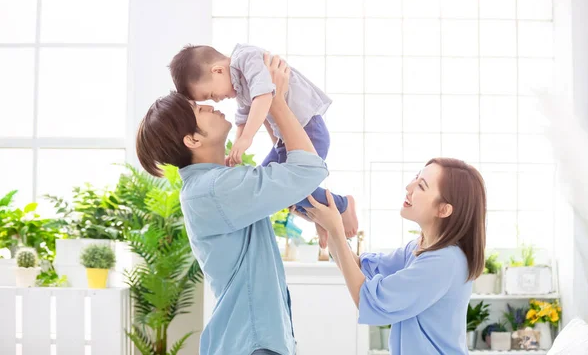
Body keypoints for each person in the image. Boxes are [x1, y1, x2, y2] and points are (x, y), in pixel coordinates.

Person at [136, 54, 326, 355]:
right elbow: (308, 170)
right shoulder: (214, 190)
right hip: (252, 344)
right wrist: (274, 100)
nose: (211, 106)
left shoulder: (214, 184)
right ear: (192, 140)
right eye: (200, 109)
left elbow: (286, 171)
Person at [168, 43, 358, 247]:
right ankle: (320, 217)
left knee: (291, 185)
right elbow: (243, 115)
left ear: (218, 70)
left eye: (212, 95)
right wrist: (237, 147)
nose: (217, 100)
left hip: (309, 130)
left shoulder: (246, 59)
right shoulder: (239, 85)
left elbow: (264, 95)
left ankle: (343, 205)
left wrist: (246, 138)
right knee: (270, 183)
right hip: (287, 139)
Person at [295, 158, 487, 355]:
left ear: (444, 209)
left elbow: (371, 301)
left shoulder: (444, 261)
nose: (409, 187)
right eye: (416, 178)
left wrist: (336, 229)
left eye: (421, 186)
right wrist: (327, 225)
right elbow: (360, 268)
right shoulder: (419, 248)